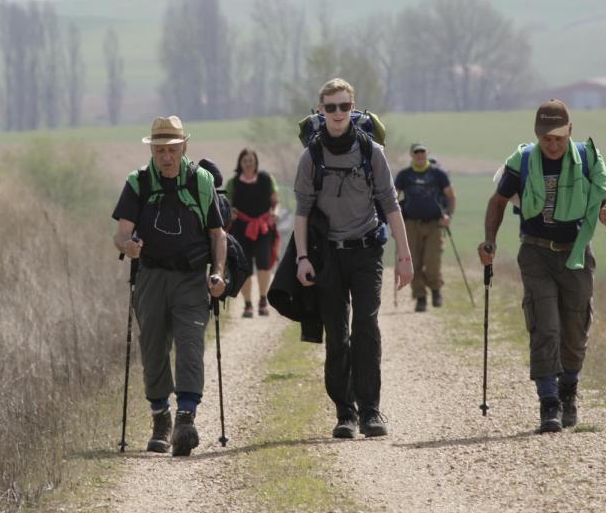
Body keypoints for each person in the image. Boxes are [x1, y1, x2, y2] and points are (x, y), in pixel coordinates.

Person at [477, 98, 606, 434]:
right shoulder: (523, 159)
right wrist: (489, 241)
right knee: (545, 324)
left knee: (575, 324)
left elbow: (604, 198)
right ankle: (549, 402)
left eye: (557, 137)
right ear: (537, 135)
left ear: (570, 131)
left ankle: (569, 389)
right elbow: (497, 202)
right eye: (546, 138)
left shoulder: (588, 158)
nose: (552, 145)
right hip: (536, 252)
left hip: (577, 251)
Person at [293, 78, 414, 439]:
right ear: (320, 110)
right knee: (337, 334)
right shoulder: (311, 155)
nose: (337, 114)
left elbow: (391, 204)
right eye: (330, 107)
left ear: (353, 107)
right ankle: (345, 413)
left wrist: (404, 257)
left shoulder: (371, 150)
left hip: (367, 252)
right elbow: (301, 211)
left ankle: (371, 411)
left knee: (366, 328)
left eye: (344, 106)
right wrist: (302, 258)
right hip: (329, 255)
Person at [111, 115, 227, 456]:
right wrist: (127, 246)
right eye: (160, 150)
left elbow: (218, 235)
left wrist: (218, 274)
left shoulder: (201, 182)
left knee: (191, 344)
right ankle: (161, 417)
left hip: (192, 277)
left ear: (184, 148)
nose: (166, 157)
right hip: (150, 276)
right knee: (153, 347)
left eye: (172, 149)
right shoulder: (139, 183)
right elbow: (120, 233)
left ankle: (186, 418)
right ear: (152, 150)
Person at [394, 142, 457, 312]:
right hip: (410, 224)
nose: (420, 155)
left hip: (434, 224)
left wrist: (448, 216)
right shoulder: (404, 175)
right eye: (417, 153)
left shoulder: (438, 174)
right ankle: (420, 297)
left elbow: (451, 197)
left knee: (432, 261)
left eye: (423, 152)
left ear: (427, 154)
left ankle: (436, 289)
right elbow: (392, 198)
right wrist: (394, 223)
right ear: (412, 155)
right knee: (412, 262)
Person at [225, 148, 280, 318]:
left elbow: (275, 203)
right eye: (245, 161)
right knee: (245, 267)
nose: (248, 163)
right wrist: (230, 213)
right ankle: (247, 304)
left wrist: (275, 213)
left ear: (255, 162)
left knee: (264, 264)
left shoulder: (267, 179)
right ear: (240, 163)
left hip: (263, 227)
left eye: (251, 160)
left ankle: (263, 300)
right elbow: (226, 205)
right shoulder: (233, 183)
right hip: (240, 229)